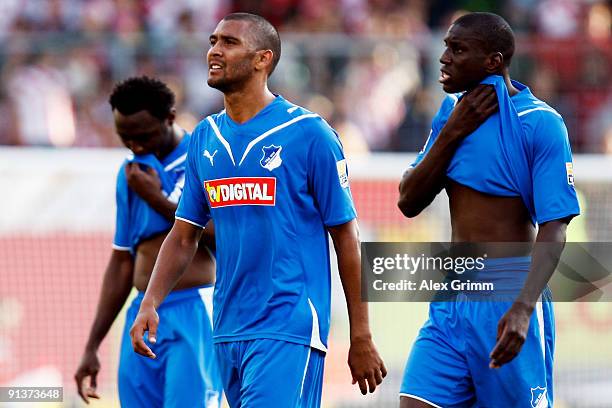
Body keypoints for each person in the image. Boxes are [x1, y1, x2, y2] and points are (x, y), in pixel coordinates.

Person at [129, 12, 387, 407]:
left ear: (262, 59)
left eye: (229, 42)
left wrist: (361, 336)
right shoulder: (204, 137)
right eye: (213, 40)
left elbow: (346, 238)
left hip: (289, 325)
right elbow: (184, 235)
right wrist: (151, 301)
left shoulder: (309, 134)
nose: (214, 50)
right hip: (227, 328)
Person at [397, 12, 580, 408]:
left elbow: (555, 226)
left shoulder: (541, 124)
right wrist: (452, 132)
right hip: (452, 292)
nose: (444, 57)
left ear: (493, 62)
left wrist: (523, 308)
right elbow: (408, 201)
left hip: (508, 292)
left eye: (457, 49)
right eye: (445, 46)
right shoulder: (450, 115)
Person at [74, 76, 222, 407]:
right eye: (125, 137)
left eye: (143, 136)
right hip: (141, 313)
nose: (135, 146)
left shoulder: (206, 157)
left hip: (194, 309)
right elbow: (123, 259)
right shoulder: (130, 173)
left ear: (170, 117)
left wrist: (159, 200)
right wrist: (92, 346)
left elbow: (226, 237)